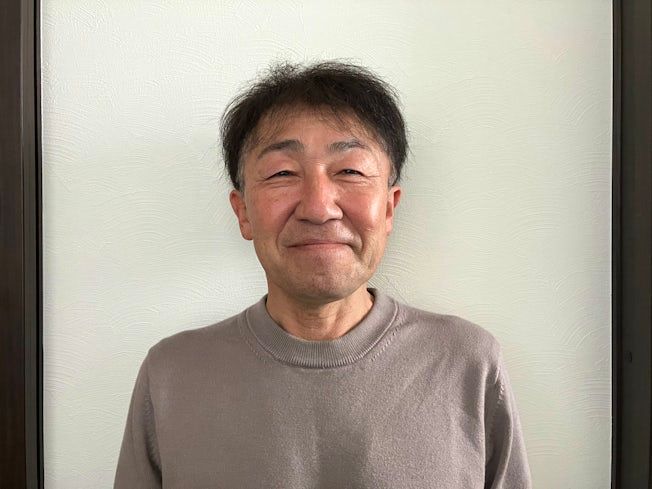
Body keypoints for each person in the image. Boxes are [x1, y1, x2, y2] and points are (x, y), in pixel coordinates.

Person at [114, 60, 532, 488]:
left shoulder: (467, 363)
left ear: (389, 208)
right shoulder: (172, 375)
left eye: (349, 171)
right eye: (282, 173)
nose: (318, 208)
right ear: (243, 213)